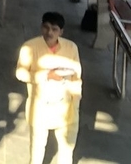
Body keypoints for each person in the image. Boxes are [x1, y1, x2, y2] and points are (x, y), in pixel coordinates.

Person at [15, 12, 82, 164]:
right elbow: (20, 73)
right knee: (37, 149)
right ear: (41, 27)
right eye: (46, 27)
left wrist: (76, 101)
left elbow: (77, 75)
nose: (49, 32)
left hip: (66, 108)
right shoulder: (30, 47)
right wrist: (45, 75)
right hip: (40, 107)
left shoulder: (71, 48)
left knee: (66, 150)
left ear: (61, 32)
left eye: (54, 29)